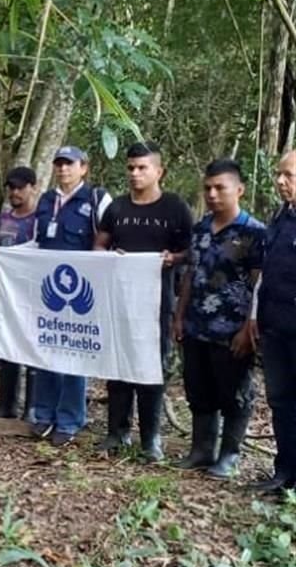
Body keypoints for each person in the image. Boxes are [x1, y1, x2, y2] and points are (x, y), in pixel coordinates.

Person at [95, 141, 193, 462]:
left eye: (143, 168)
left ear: (158, 171)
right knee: (118, 366)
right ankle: (116, 433)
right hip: (119, 303)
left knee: (152, 369)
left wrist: (172, 257)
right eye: (131, 168)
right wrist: (109, 256)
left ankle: (151, 440)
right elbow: (99, 246)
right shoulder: (118, 208)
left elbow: (192, 252)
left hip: (158, 305)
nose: (135, 174)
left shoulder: (175, 208)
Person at [173, 159, 264, 478]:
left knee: (234, 393)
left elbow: (258, 285)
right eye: (208, 188)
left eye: (219, 188)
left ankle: (229, 455)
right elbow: (190, 274)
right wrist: (180, 315)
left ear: (238, 190)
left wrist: (247, 328)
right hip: (197, 325)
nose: (212, 194)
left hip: (232, 330)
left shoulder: (254, 233)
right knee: (198, 389)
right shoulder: (200, 229)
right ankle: (201, 449)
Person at [32, 146, 112, 445]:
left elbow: (108, 240)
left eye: (70, 164)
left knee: (74, 353)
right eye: (59, 164)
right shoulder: (47, 200)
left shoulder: (96, 199)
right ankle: (43, 414)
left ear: (83, 168)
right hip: (47, 292)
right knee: (46, 350)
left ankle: (69, 419)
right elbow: (37, 243)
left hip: (81, 294)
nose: (63, 169)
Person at [248, 151, 296, 493]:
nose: (280, 181)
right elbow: (265, 273)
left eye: (289, 175)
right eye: (279, 175)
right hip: (275, 327)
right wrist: (253, 316)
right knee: (280, 401)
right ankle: (284, 473)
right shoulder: (280, 217)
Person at [0, 166, 39, 419]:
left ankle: (32, 406)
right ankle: (6, 404)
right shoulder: (4, 219)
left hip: (33, 295)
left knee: (32, 347)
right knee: (8, 345)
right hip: (6, 295)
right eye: (11, 187)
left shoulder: (39, 221)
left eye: (20, 187)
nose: (15, 192)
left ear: (33, 187)